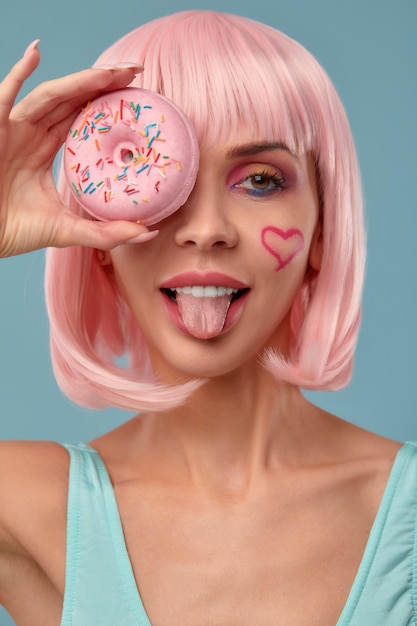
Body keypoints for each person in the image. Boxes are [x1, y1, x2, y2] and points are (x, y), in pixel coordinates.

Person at [0, 10, 412, 626]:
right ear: (98, 247)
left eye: (261, 180)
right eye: (153, 175)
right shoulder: (20, 505)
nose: (207, 231)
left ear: (324, 229)